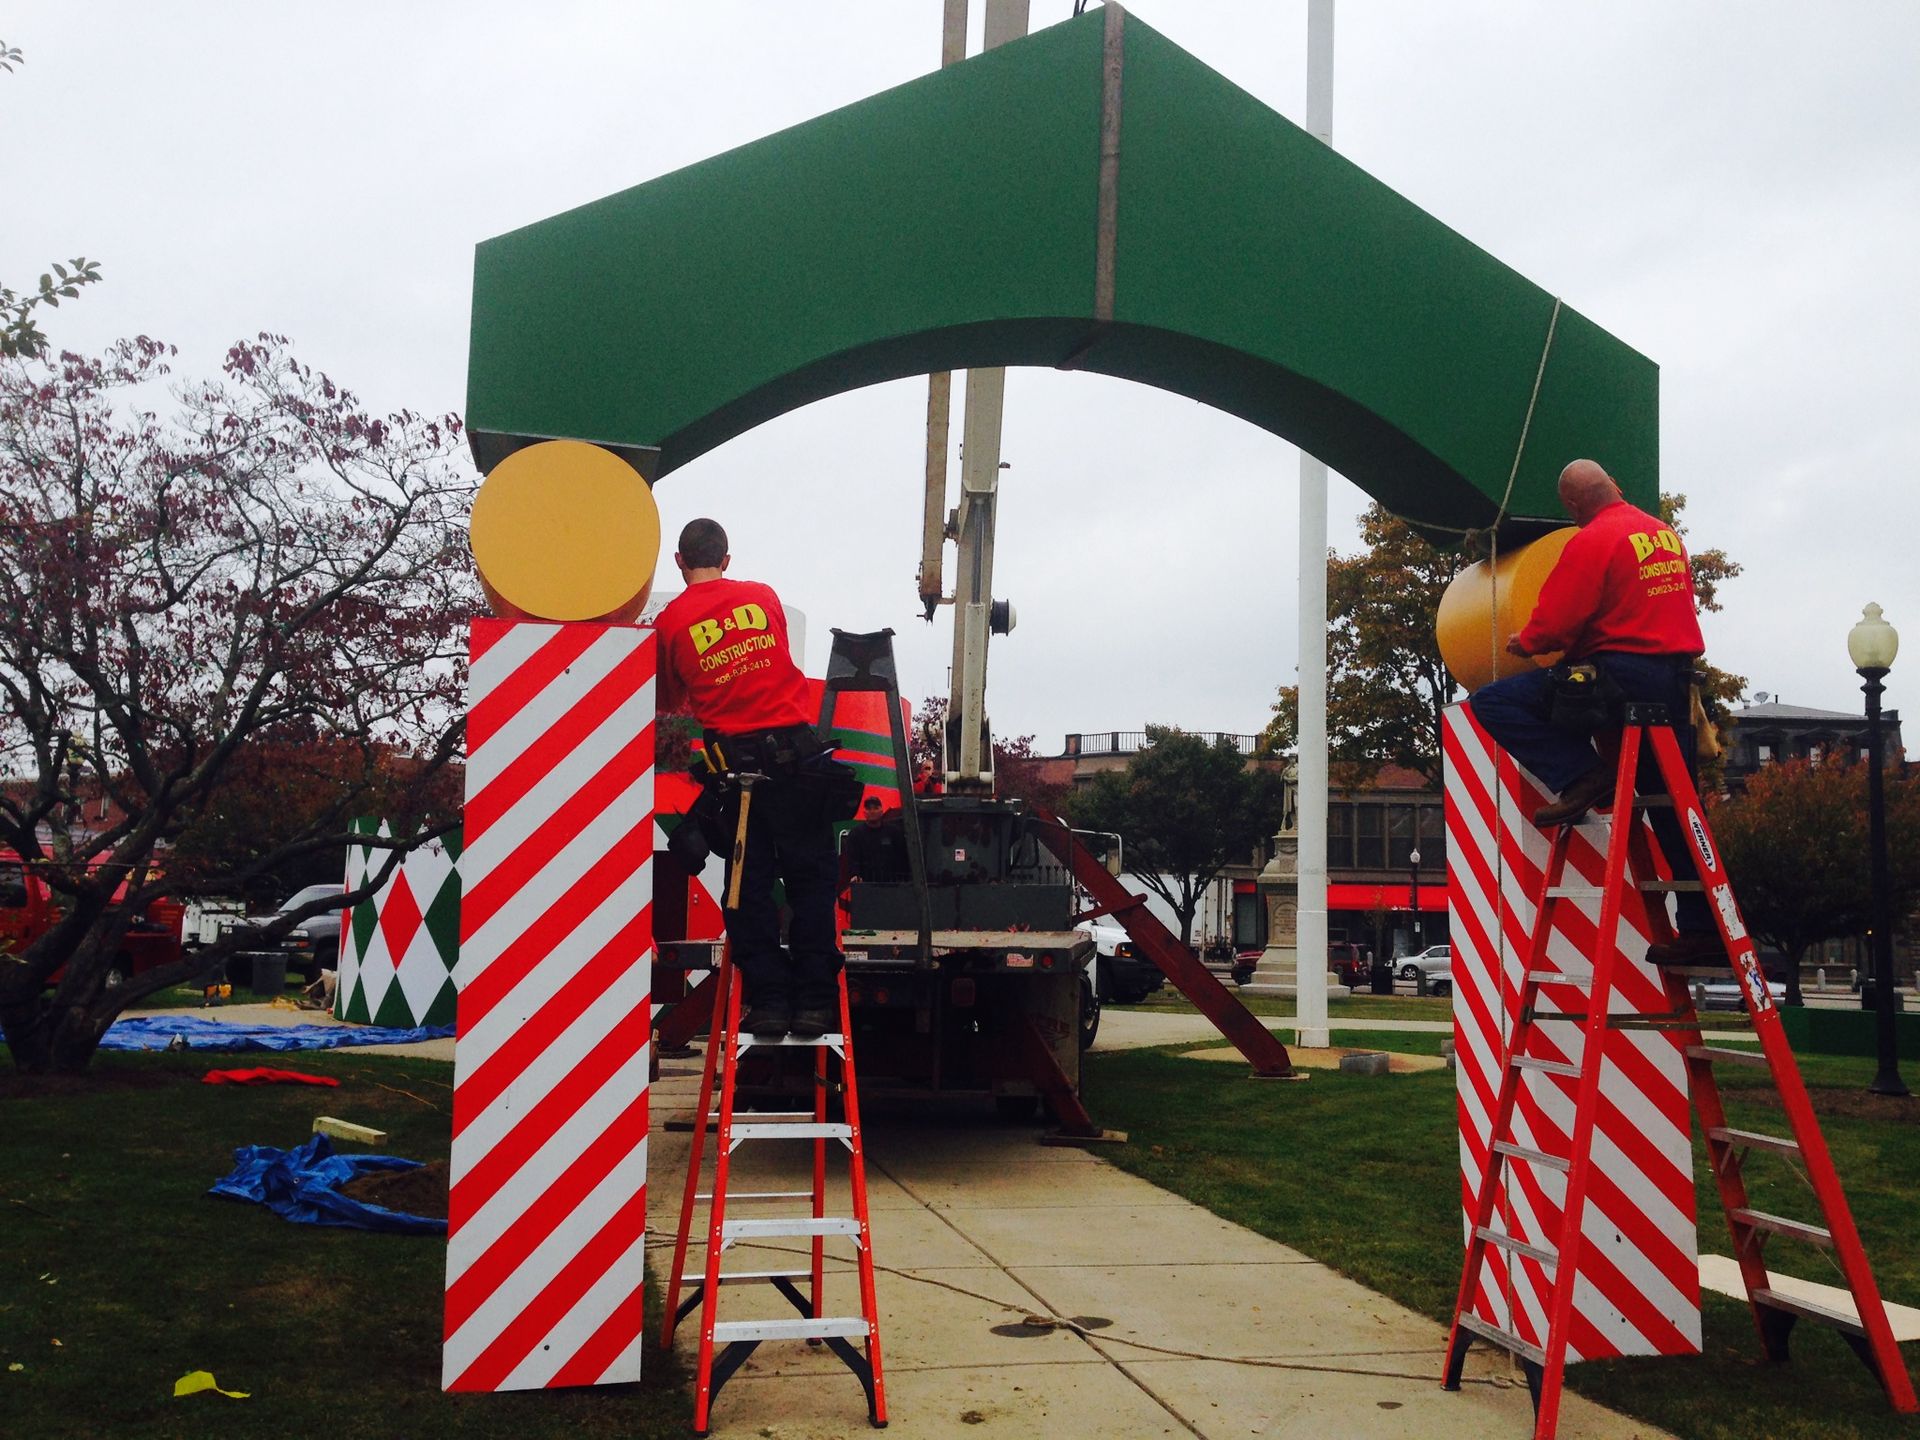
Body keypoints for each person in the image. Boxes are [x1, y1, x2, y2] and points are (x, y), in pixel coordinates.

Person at [1468, 458, 1720, 965]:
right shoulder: (1663, 535)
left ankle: (1584, 776)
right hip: (1674, 685)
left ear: (1575, 505)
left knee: (1494, 703)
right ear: (1616, 485)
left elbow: (1558, 624)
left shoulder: (1592, 540)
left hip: (1621, 680)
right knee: (1673, 807)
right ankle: (1704, 931)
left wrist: (1527, 640)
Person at [654, 518, 842, 1038]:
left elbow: (668, 701)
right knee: (810, 885)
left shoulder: (671, 623)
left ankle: (769, 1002)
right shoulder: (763, 597)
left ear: (679, 561)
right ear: (727, 559)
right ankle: (814, 1004)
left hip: (736, 778)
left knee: (745, 889)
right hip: (799, 766)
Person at [842, 797, 909, 884]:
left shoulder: (894, 832)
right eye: (869, 808)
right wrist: (855, 875)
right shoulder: (855, 834)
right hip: (865, 884)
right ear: (864, 812)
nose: (872, 811)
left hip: (892, 884)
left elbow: (902, 856)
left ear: (881, 811)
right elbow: (852, 859)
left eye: (876, 808)